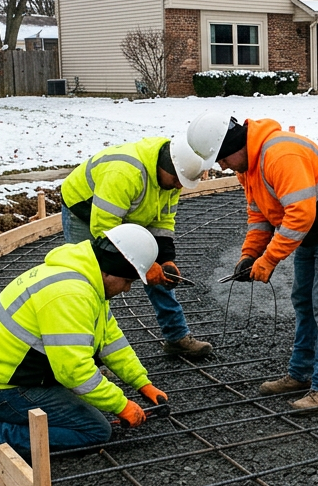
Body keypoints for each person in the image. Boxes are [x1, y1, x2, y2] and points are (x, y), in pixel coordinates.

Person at [0, 225, 169, 486]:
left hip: (6, 370)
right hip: (3, 388)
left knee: (91, 395)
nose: (127, 289)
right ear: (110, 271)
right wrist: (121, 405)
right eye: (127, 281)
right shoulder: (71, 294)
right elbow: (75, 372)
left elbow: (111, 340)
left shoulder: (86, 278)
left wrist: (141, 382)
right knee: (95, 430)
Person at [186, 113, 318, 412]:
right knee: (303, 301)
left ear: (235, 145)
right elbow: (260, 214)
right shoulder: (248, 166)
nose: (223, 166)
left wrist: (269, 259)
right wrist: (250, 255)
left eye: (222, 158)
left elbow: (300, 215)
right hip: (312, 231)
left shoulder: (281, 154)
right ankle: (300, 374)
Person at [60, 136, 212, 359]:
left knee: (160, 273)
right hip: (87, 209)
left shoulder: (174, 177)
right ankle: (88, 353)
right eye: (177, 180)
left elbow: (163, 221)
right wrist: (143, 265)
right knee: (92, 278)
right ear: (165, 167)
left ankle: (177, 336)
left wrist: (164, 260)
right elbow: (105, 230)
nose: (179, 186)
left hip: (130, 207)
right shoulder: (124, 173)